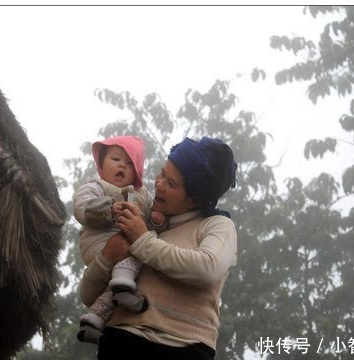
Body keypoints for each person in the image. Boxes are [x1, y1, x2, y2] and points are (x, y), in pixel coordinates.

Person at [79, 136, 238, 360]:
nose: (159, 184)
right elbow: (88, 295)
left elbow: (207, 268)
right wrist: (107, 257)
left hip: (182, 347)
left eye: (171, 183)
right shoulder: (141, 218)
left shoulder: (217, 225)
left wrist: (142, 239)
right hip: (120, 341)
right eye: (162, 173)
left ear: (193, 200)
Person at [73, 135, 167, 345]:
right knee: (144, 243)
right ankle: (123, 285)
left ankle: (93, 320)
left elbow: (153, 215)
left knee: (116, 287)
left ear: (137, 171)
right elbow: (80, 206)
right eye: (116, 160)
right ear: (102, 164)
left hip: (124, 258)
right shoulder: (97, 186)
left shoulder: (143, 194)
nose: (122, 166)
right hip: (99, 243)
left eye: (129, 163)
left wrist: (157, 218)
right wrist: (108, 209)